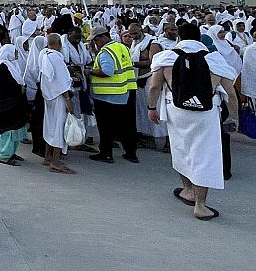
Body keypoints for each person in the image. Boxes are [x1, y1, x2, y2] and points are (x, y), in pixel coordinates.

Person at [147, 23, 238, 221]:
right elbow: (231, 94)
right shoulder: (214, 59)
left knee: (181, 150)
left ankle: (188, 189)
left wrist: (152, 108)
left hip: (176, 111)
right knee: (203, 155)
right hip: (206, 113)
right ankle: (200, 205)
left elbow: (154, 87)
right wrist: (233, 117)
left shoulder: (167, 57)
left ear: (179, 37)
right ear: (200, 37)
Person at [86, 26, 138, 164]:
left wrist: (90, 72)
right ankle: (131, 153)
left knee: (105, 126)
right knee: (126, 125)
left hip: (107, 95)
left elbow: (107, 71)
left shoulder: (106, 52)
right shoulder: (122, 47)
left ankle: (106, 153)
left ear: (102, 37)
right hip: (125, 91)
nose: (95, 44)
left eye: (96, 41)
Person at [38, 33, 76, 174]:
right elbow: (61, 82)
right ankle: (55, 161)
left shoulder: (44, 54)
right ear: (59, 43)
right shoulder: (55, 58)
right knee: (59, 128)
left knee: (51, 126)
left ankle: (48, 157)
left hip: (49, 97)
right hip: (59, 97)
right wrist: (68, 101)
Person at [0, 44, 29, 165]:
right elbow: (6, 85)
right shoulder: (2, 67)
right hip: (6, 106)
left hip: (13, 105)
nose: (16, 54)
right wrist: (19, 89)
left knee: (15, 130)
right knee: (7, 131)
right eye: (14, 52)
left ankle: (11, 153)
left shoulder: (11, 65)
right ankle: (5, 156)